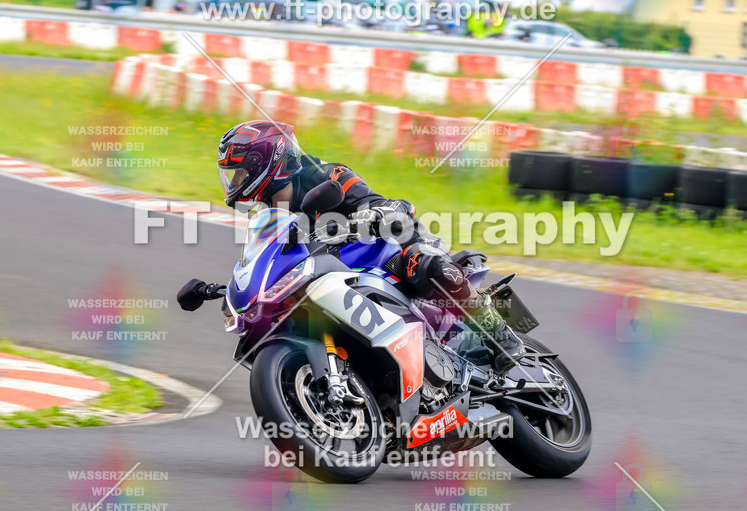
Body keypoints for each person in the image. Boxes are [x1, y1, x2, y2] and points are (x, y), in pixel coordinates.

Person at [179, 119, 524, 371]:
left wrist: (367, 217)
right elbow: (267, 258)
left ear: (263, 164)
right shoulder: (268, 213)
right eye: (231, 175)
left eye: (238, 173)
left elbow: (391, 206)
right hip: (332, 272)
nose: (234, 182)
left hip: (384, 245)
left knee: (418, 260)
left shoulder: (328, 175)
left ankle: (495, 329)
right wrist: (233, 291)